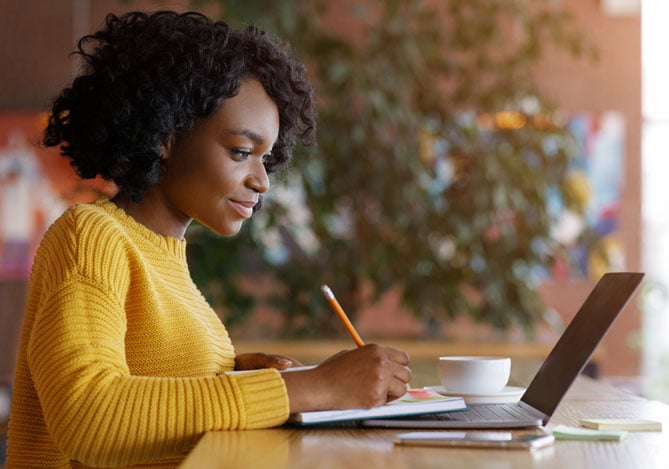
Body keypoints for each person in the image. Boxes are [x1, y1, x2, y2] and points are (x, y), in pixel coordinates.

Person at [6, 10, 411, 468]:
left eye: (267, 158)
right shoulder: (91, 236)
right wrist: (313, 386)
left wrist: (236, 372)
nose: (262, 180)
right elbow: (90, 417)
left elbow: (149, 380)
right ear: (164, 134)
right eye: (241, 151)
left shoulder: (164, 259)